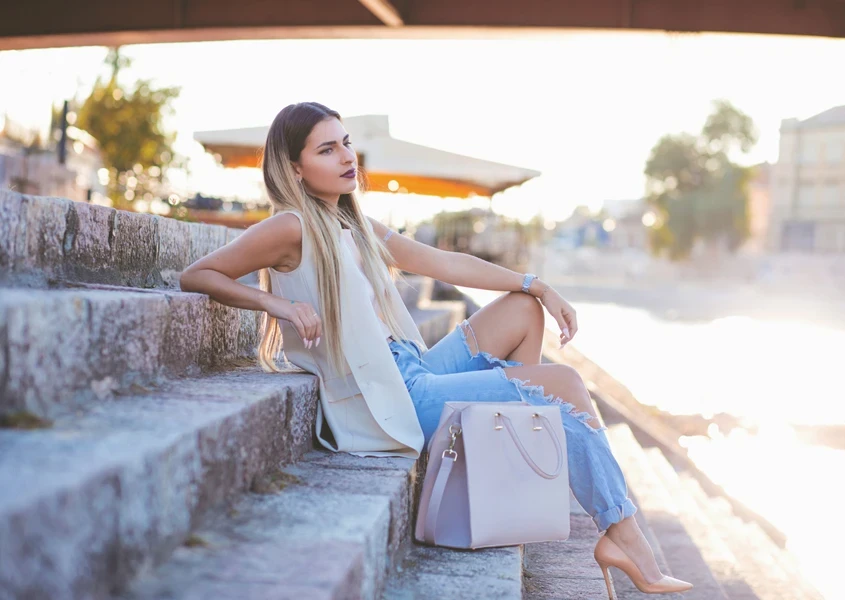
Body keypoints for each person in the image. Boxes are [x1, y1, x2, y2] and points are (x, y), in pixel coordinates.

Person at [179, 101, 693, 596]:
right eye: (328, 150)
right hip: (391, 397)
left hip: (411, 367)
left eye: (347, 143)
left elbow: (445, 264)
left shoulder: (354, 225)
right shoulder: (290, 227)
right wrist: (280, 307)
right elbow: (197, 274)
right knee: (565, 385)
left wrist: (536, 284)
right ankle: (623, 536)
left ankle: (512, 455)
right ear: (295, 168)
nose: (346, 157)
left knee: (521, 309)